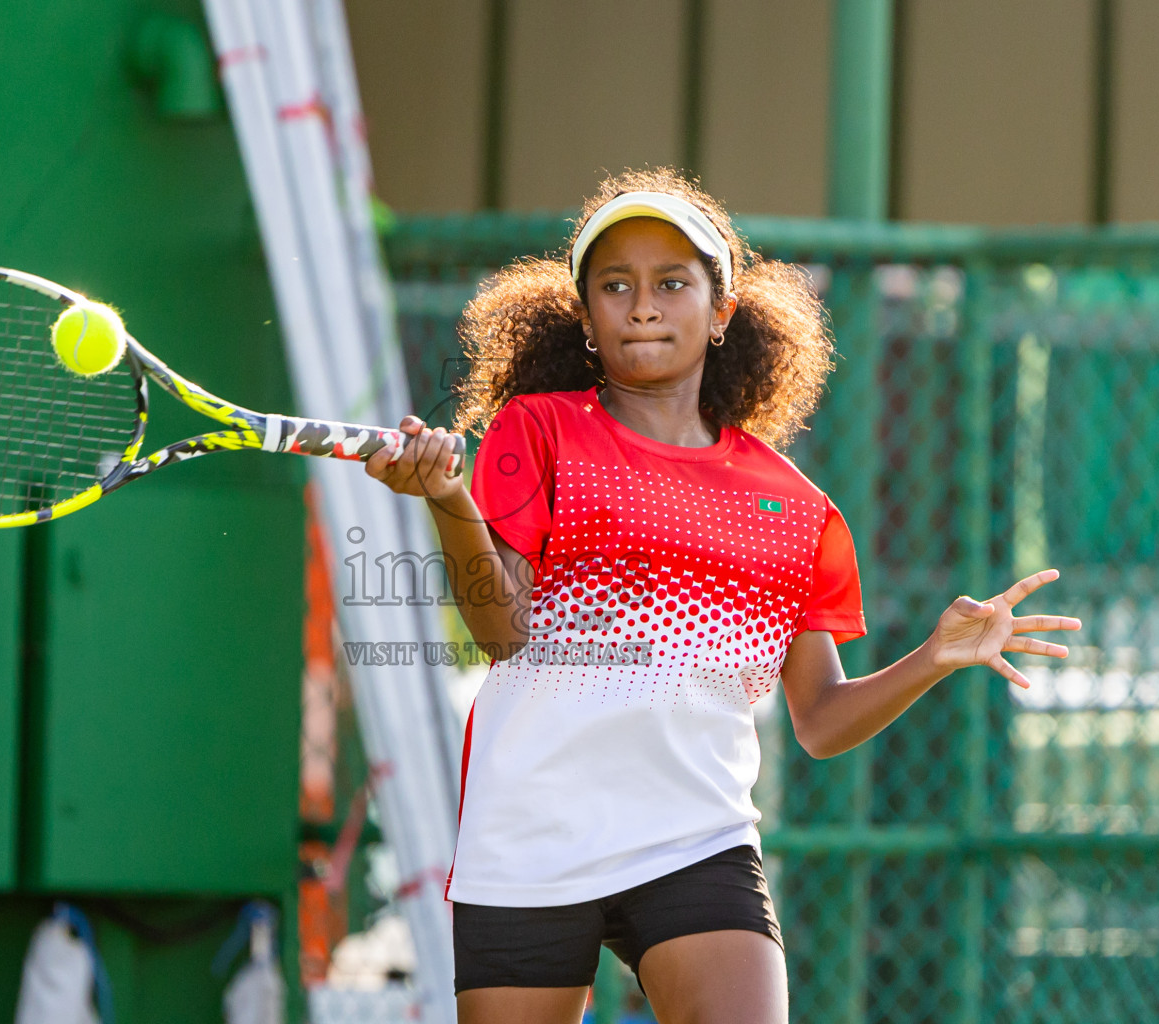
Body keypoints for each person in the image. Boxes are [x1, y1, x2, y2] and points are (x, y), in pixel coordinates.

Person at [366, 168, 1080, 1024]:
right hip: (530, 834)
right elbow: (504, 633)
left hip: (695, 841)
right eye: (614, 286)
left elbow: (819, 720)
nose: (643, 305)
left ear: (723, 311)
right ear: (586, 316)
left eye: (672, 284)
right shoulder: (538, 429)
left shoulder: (799, 510)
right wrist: (451, 502)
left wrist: (934, 658)